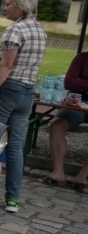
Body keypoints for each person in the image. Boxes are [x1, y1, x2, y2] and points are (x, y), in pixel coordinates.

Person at [0, 0, 47, 213]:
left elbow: (5, 66)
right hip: (27, 90)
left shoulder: (14, 31)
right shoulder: (40, 31)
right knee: (16, 145)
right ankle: (13, 199)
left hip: (8, 89)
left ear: (21, 5)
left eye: (8, 4)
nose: (5, 7)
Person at [41, 51, 88, 193]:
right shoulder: (83, 58)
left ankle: (82, 177)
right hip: (78, 102)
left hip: (81, 96)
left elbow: (76, 82)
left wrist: (82, 83)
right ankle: (58, 173)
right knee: (56, 125)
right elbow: (69, 82)